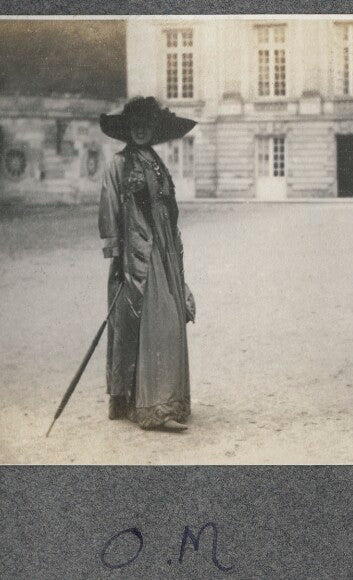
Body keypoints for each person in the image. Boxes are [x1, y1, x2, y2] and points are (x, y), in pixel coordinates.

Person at [98, 96, 197, 431]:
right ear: (128, 128)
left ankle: (169, 400)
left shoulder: (157, 162)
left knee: (171, 317)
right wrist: (114, 253)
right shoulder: (118, 165)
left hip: (165, 249)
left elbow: (168, 208)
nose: (141, 130)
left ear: (155, 129)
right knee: (151, 322)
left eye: (147, 124)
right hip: (136, 253)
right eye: (135, 124)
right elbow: (110, 206)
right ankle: (148, 405)